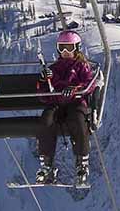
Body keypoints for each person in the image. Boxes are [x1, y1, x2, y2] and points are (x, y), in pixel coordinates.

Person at [35, 30, 97, 185]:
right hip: (56, 103)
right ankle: (46, 163)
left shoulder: (82, 66)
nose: (65, 52)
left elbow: (90, 84)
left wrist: (76, 88)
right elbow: (42, 94)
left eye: (69, 48)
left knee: (78, 121)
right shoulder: (53, 69)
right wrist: (44, 81)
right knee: (46, 121)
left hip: (75, 103)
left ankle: (82, 162)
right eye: (62, 47)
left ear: (77, 48)